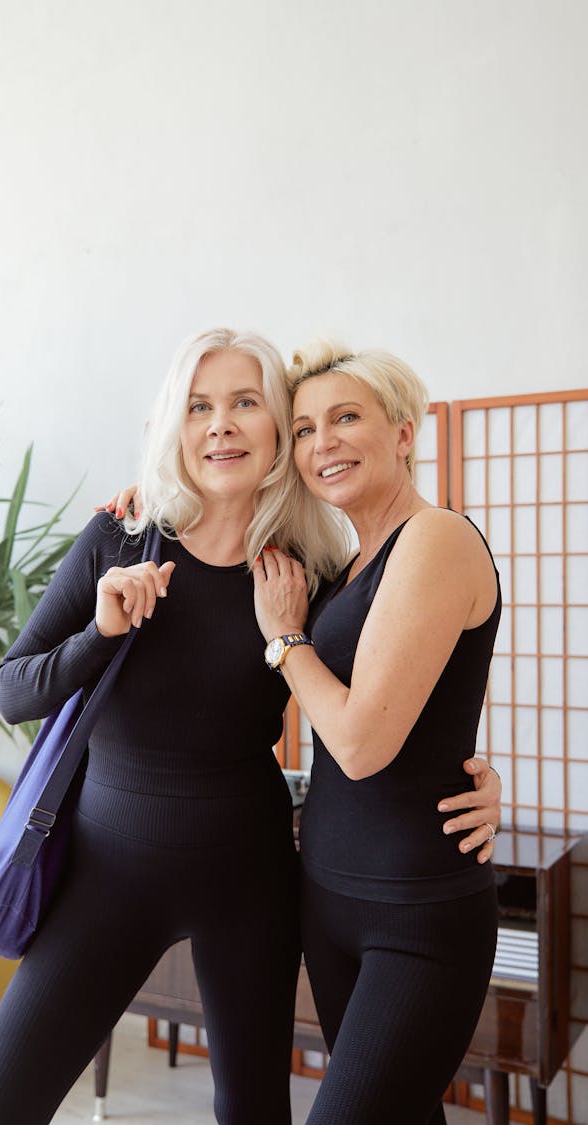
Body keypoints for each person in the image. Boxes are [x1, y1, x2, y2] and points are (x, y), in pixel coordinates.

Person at [0, 329, 501, 1125]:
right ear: (176, 425)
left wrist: (477, 774)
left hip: (253, 881)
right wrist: (101, 635)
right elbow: (12, 689)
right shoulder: (121, 538)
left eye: (247, 403)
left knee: (252, 1112)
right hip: (108, 874)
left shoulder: (302, 572)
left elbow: (394, 694)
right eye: (200, 406)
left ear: (274, 428)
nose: (222, 424)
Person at [252, 340, 501, 1124]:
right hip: (329, 898)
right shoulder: (344, 565)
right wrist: (141, 506)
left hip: (416, 913)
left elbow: (360, 745)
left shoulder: (438, 537)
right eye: (303, 428)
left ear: (402, 431)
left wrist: (288, 642)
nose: (322, 441)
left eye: (346, 416)